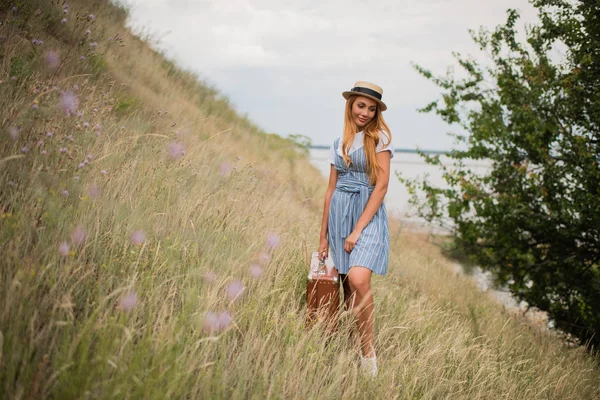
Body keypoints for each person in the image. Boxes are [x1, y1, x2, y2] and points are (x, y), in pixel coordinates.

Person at [319, 81, 393, 379]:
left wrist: (357, 230)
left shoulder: (380, 139)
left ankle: (369, 355)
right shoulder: (339, 144)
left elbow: (382, 187)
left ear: (377, 113)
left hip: (368, 214)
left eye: (371, 108)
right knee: (348, 287)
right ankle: (353, 351)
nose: (365, 112)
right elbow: (329, 190)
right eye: (360, 105)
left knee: (360, 278)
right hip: (339, 214)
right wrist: (322, 237)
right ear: (351, 105)